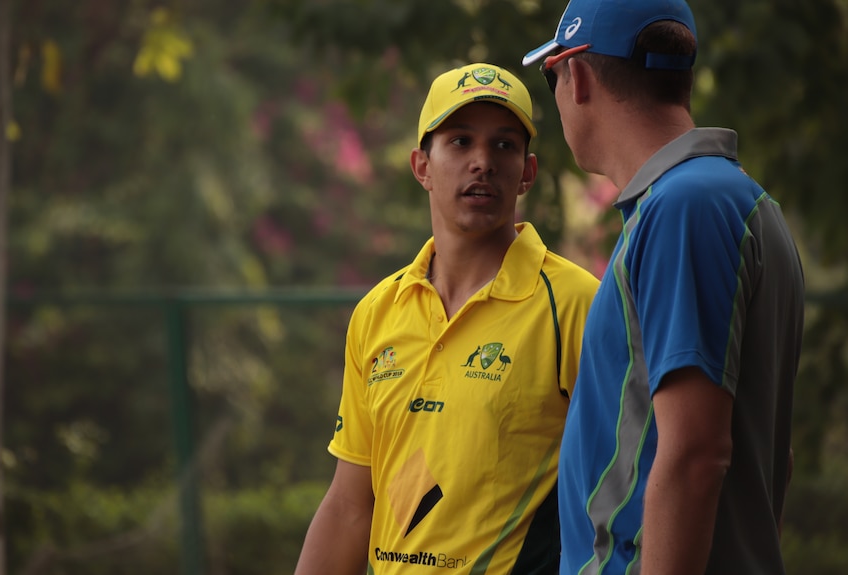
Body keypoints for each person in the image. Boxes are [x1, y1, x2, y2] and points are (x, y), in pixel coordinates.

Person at [521, 0, 805, 574]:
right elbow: (776, 458)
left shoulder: (687, 207)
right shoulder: (722, 200)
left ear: (576, 75)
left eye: (550, 74)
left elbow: (697, 454)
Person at [294, 62, 599, 574]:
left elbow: (626, 487)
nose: (483, 162)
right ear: (422, 166)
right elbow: (351, 506)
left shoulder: (577, 304)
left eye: (504, 145)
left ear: (527, 172)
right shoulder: (377, 311)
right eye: (460, 141)